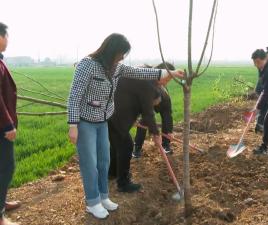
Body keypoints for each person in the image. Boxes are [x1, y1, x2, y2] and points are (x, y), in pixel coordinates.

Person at [67, 33, 183, 219]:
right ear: (112, 49)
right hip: (86, 121)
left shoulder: (116, 67)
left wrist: (168, 73)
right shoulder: (87, 64)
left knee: (104, 161)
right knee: (90, 164)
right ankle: (92, 202)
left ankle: (103, 197)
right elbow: (74, 95)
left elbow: (140, 73)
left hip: (103, 120)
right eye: (121, 53)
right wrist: (73, 124)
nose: (122, 58)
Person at [108, 78, 162, 192]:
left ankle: (113, 173)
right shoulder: (147, 93)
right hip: (116, 119)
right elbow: (148, 114)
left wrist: (133, 120)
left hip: (110, 117)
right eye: (154, 103)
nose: (153, 106)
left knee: (115, 146)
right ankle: (123, 183)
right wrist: (156, 134)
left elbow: (137, 110)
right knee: (127, 146)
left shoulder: (138, 91)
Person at [133, 62, 175, 157]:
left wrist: (169, 131)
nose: (167, 83)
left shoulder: (164, 95)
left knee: (166, 117)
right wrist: (155, 132)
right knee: (144, 121)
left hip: (160, 100)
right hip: (143, 102)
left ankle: (166, 144)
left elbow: (168, 113)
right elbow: (146, 112)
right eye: (167, 79)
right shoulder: (144, 80)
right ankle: (137, 148)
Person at [0, 22, 19, 225]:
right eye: (5, 35)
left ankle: (2, 202)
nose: (7, 40)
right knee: (5, 167)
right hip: (0, 128)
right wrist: (7, 126)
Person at [254, 47, 268, 134]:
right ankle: (259, 126)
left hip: (262, 88)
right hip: (262, 88)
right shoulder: (264, 63)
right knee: (264, 107)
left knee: (264, 107)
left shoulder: (267, 63)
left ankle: (259, 125)